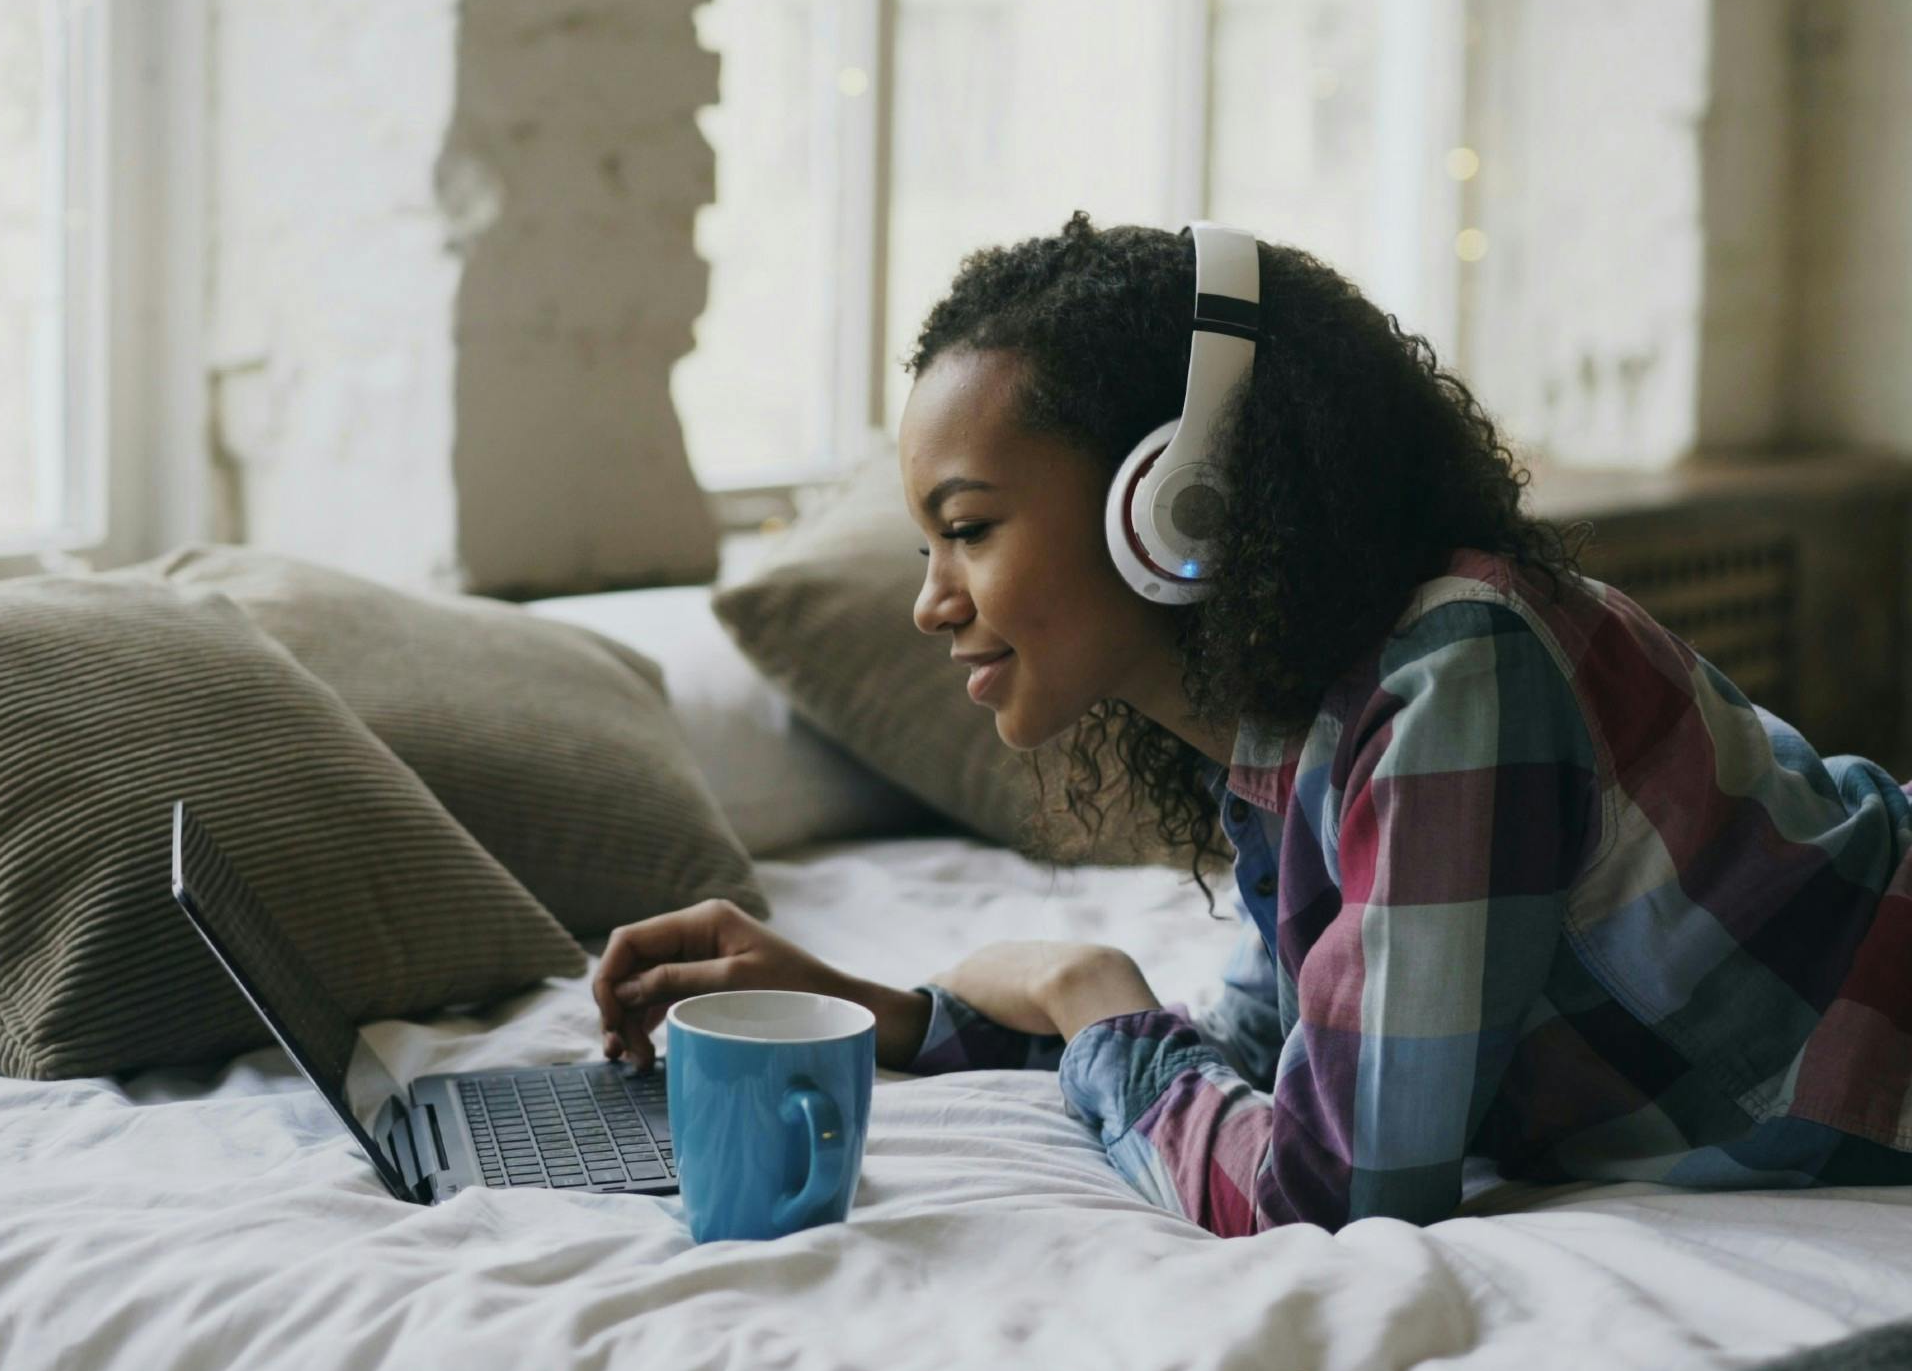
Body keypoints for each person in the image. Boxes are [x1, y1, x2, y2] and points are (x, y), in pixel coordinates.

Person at [591, 212, 1912, 1237]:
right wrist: (869, 1011)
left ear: (1177, 499)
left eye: (969, 527)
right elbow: (1271, 1057)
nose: (931, 603)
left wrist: (1087, 987)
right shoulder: (1302, 729)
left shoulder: (1455, 671)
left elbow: (1331, 1190)